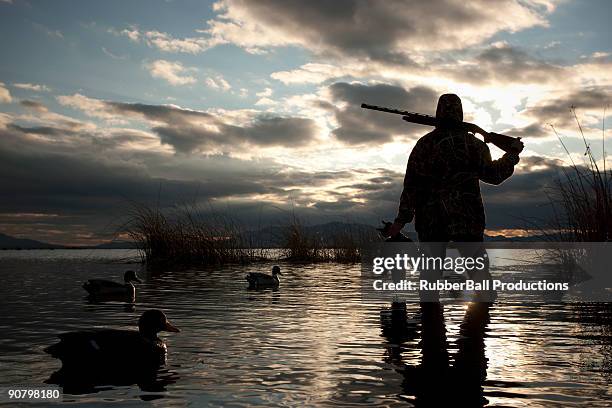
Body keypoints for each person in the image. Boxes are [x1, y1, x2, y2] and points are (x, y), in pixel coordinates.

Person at [388, 93, 524, 301]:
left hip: (430, 222)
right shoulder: (474, 145)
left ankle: (431, 327)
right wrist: (512, 155)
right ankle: (479, 327)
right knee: (481, 280)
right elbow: (494, 176)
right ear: (460, 113)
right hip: (467, 221)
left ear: (438, 112)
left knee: (430, 282)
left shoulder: (423, 145)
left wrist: (401, 220)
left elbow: (411, 187)